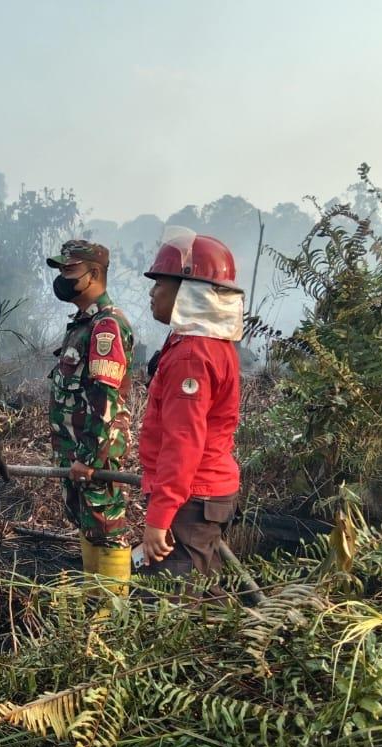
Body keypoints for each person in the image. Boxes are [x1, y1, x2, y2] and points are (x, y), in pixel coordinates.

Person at [139, 229, 243, 577]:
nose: (152, 292)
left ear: (187, 290)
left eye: (160, 284)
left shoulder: (192, 355)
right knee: (202, 594)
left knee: (173, 602)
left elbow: (183, 442)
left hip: (191, 499)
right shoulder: (206, 344)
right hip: (200, 496)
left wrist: (159, 517)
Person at [45, 239, 134, 587]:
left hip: (95, 456)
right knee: (87, 523)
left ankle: (112, 612)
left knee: (106, 524)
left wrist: (89, 457)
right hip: (77, 455)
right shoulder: (82, 324)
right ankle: (94, 602)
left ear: (94, 274)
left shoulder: (106, 326)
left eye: (70, 270)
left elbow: (106, 398)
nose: (63, 278)